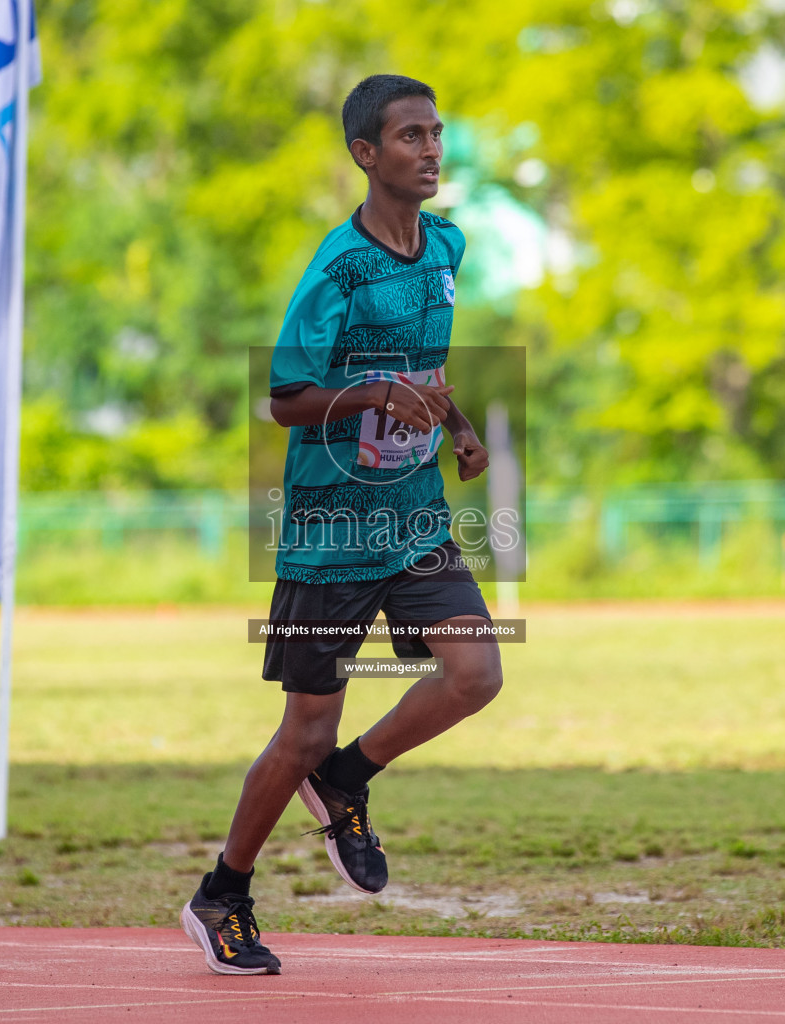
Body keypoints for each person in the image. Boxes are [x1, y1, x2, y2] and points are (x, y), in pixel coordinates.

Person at [180, 74, 503, 976]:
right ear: (367, 154)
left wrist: (461, 428)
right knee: (304, 732)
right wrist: (369, 394)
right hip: (331, 532)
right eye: (410, 136)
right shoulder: (337, 269)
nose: (431, 149)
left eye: (437, 133)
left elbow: (423, 366)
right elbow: (285, 401)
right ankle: (223, 895)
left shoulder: (448, 246)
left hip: (415, 518)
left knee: (476, 673)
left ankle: (350, 780)